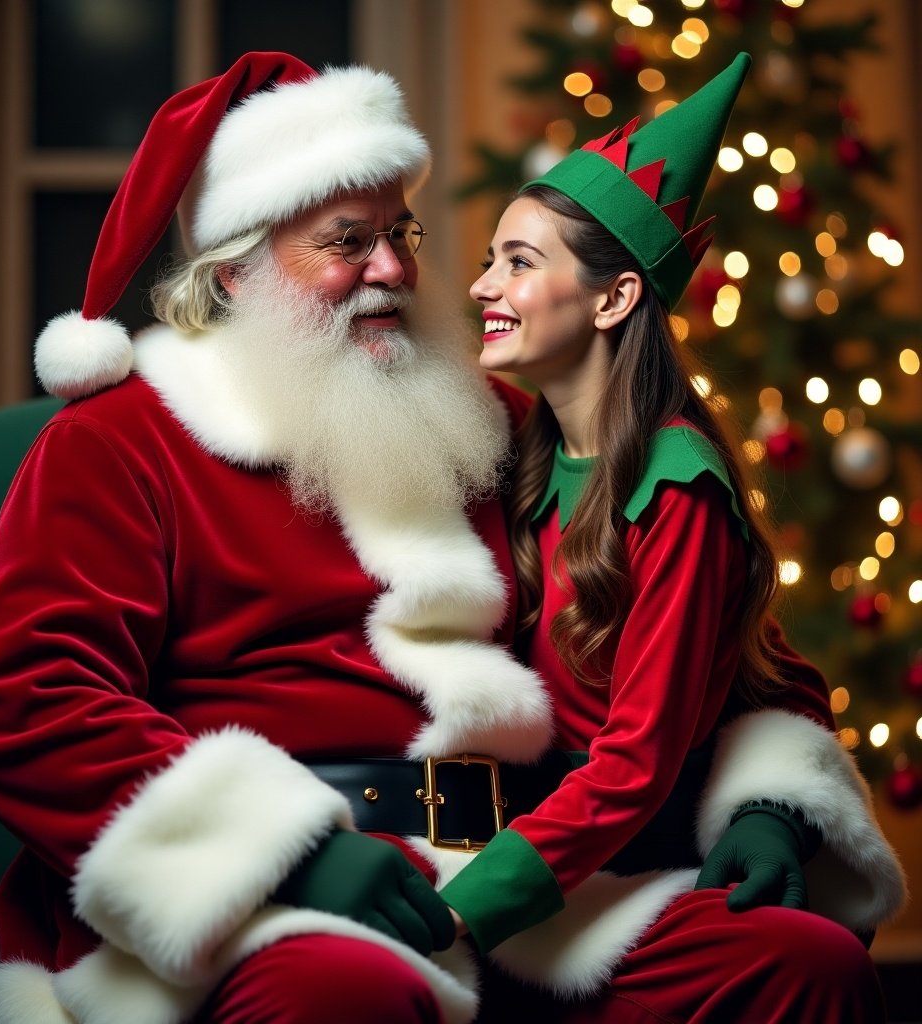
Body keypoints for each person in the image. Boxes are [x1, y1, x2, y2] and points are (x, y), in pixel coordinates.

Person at [0, 51, 903, 1024]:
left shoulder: (490, 425)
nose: (396, 269)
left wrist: (769, 801)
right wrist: (289, 848)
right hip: (269, 903)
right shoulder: (119, 446)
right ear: (235, 270)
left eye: (400, 232)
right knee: (341, 992)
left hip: (521, 884)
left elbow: (709, 629)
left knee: (796, 962)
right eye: (346, 240)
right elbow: (30, 705)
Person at [436, 52, 905, 1022]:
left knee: (803, 965)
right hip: (507, 842)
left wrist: (459, 911)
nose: (482, 284)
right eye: (490, 257)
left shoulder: (675, 484)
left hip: (604, 869)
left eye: (518, 263)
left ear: (611, 300)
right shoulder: (511, 452)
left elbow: (638, 761)